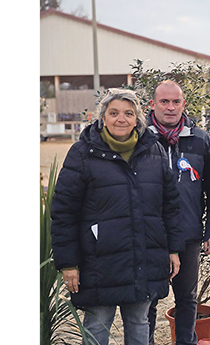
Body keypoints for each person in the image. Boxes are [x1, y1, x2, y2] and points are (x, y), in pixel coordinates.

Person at [50, 88, 184, 345]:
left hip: (143, 259)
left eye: (128, 113)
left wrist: (173, 250)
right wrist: (68, 264)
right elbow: (64, 212)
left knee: (139, 323)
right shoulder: (82, 154)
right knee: (97, 327)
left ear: (138, 119)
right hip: (98, 265)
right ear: (102, 117)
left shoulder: (153, 152)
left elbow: (170, 207)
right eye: (114, 113)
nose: (121, 119)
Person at [146, 80, 210, 345]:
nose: (170, 108)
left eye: (175, 102)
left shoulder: (200, 140)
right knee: (148, 300)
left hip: (188, 233)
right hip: (150, 235)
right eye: (164, 102)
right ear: (152, 104)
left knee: (187, 299)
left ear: (184, 104)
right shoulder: (140, 139)